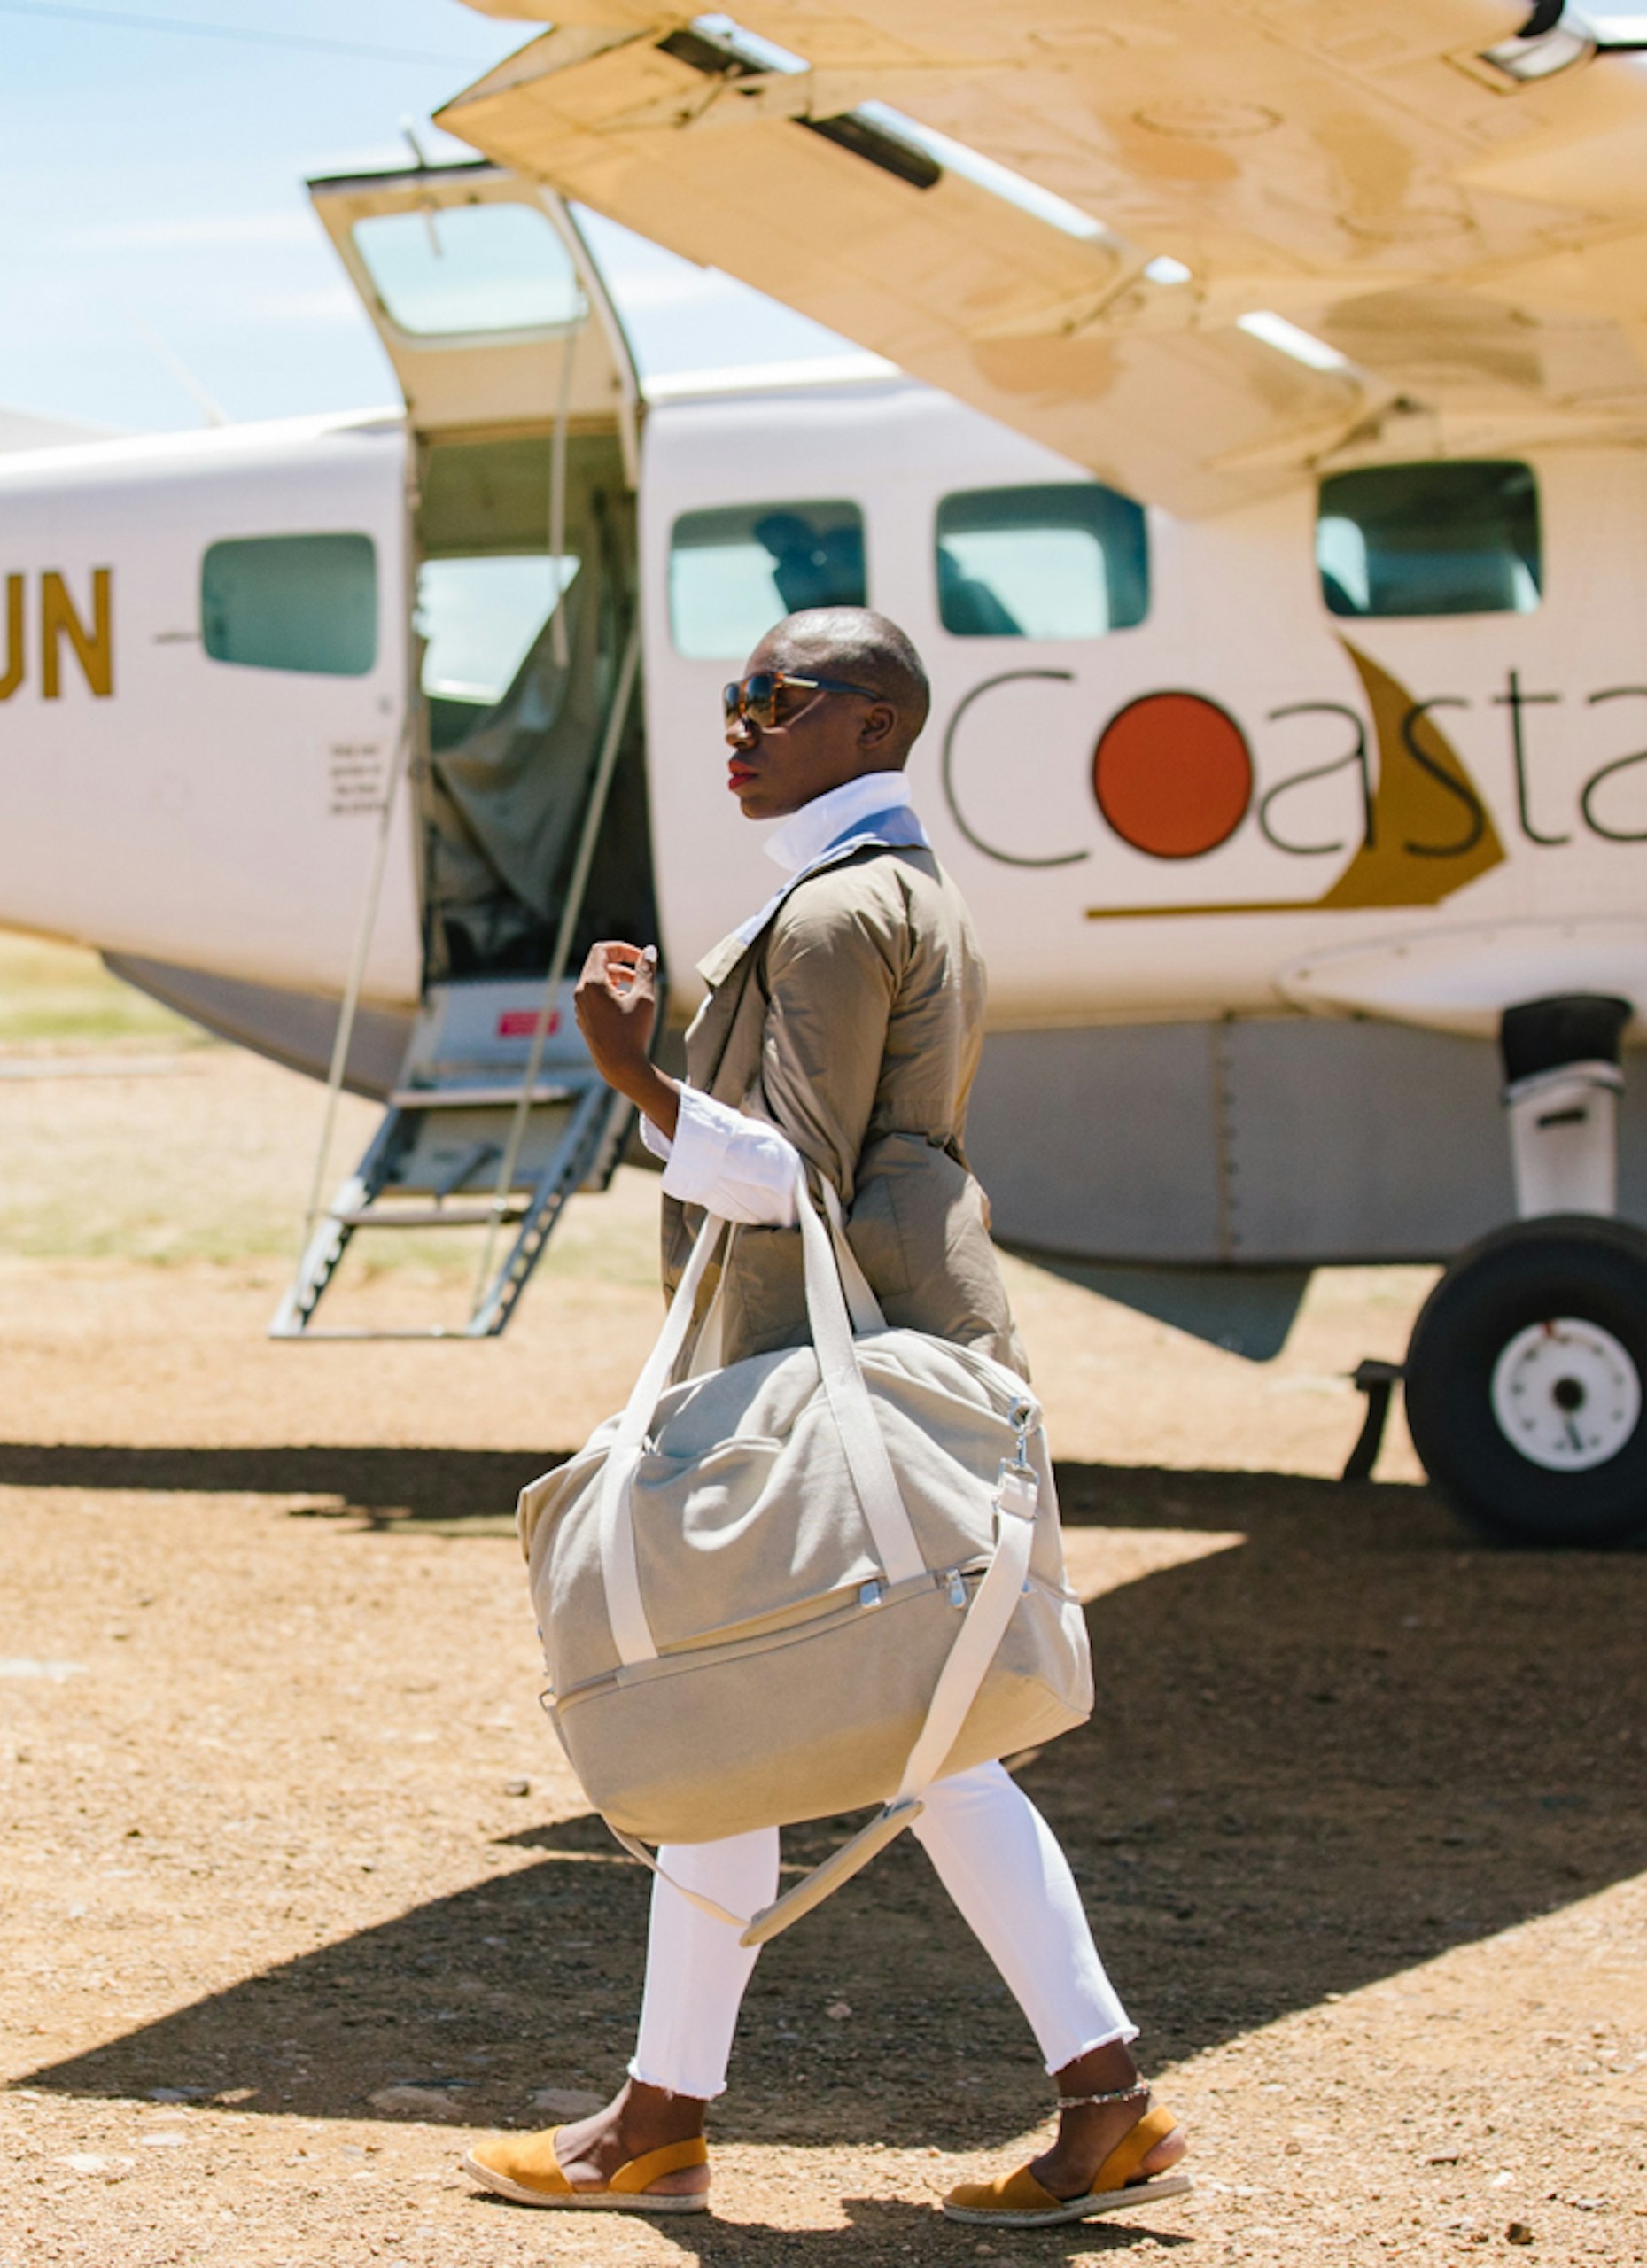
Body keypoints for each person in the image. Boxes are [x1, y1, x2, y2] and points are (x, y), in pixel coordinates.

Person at [461, 610, 1189, 2228]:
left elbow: (788, 1173)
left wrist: (630, 1073)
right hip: (878, 1343)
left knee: (813, 1715)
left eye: (778, 700)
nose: (741, 720)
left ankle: (685, 2124)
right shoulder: (878, 894)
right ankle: (1057, 2102)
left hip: (837, 1354)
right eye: (735, 695)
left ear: (877, 728)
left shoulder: (842, 913)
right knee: (872, 1732)